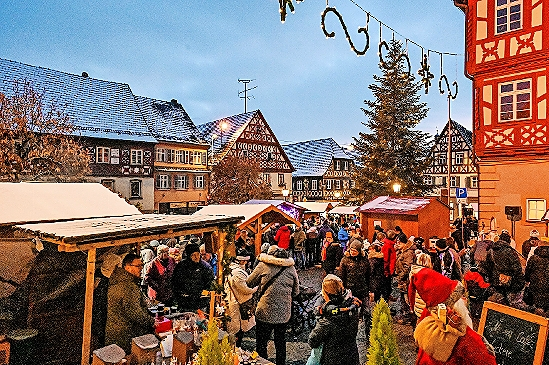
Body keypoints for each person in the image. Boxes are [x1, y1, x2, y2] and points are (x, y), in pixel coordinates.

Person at [409, 267, 497, 365]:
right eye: (461, 297)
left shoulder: (426, 319)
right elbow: (487, 362)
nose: (465, 299)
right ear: (453, 305)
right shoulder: (461, 335)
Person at [247, 246, 299, 365]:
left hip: (264, 312)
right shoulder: (291, 268)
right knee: (280, 341)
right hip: (283, 313)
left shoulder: (263, 266)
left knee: (261, 342)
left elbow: (249, 282)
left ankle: (262, 362)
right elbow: (296, 292)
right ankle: (281, 363)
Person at [105, 253, 155, 354]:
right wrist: (152, 322)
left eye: (142, 265)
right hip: (124, 335)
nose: (141, 268)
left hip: (114, 333)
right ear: (127, 267)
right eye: (138, 266)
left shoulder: (117, 280)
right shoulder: (128, 287)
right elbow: (135, 313)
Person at [308, 274, 361, 365]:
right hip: (352, 356)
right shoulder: (352, 309)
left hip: (332, 359)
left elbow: (312, 341)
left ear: (325, 294)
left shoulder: (328, 320)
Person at [479, 231, 527, 310]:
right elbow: (517, 268)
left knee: (499, 302)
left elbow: (487, 267)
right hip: (510, 283)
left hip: (496, 282)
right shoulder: (510, 252)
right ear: (508, 241)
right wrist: (520, 282)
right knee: (511, 304)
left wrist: (492, 278)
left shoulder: (491, 251)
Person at [225, 250, 258, 347]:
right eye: (246, 261)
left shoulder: (232, 270)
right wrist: (255, 288)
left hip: (234, 302)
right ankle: (236, 348)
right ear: (242, 261)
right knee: (237, 328)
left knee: (238, 327)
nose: (247, 263)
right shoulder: (237, 273)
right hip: (237, 304)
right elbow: (245, 289)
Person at [172, 243, 215, 312]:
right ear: (189, 256)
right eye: (193, 255)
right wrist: (180, 295)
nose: (196, 257)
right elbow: (175, 283)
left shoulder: (205, 267)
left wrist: (203, 293)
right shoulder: (181, 267)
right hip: (185, 304)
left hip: (201, 303)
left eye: (197, 254)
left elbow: (210, 283)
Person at [338, 240, 370, 328]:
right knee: (351, 311)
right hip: (350, 290)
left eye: (355, 251)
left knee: (367, 312)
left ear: (359, 251)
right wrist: (343, 289)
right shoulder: (345, 260)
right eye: (351, 250)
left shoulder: (364, 260)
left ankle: (368, 332)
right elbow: (341, 276)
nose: (352, 252)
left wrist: (370, 289)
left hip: (363, 289)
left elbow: (368, 275)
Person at [394, 236, 416, 324]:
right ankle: (406, 316)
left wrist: (400, 276)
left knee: (407, 299)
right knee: (403, 298)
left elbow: (407, 267)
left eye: (399, 242)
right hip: (402, 280)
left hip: (406, 281)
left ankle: (408, 317)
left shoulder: (408, 253)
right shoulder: (403, 251)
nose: (397, 244)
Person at [524, 237, 549, 314]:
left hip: (535, 289)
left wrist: (528, 280)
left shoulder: (533, 258)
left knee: (537, 311)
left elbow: (527, 274)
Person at [368, 236, 385, 302]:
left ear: (374, 250)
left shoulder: (372, 259)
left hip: (374, 279)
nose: (369, 251)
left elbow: (371, 271)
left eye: (370, 249)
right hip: (380, 278)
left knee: (376, 296)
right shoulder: (381, 257)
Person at [381, 230, 397, 300]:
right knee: (386, 288)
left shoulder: (390, 245)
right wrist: (386, 271)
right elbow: (385, 260)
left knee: (388, 286)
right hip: (387, 270)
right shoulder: (387, 246)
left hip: (389, 269)